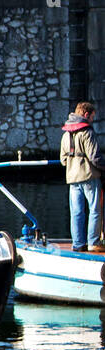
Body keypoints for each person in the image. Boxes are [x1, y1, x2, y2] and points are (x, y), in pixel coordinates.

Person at [60, 101, 105, 253]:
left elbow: (63, 159)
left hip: (72, 178)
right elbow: (95, 157)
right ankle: (93, 242)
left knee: (77, 212)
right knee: (95, 209)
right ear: (86, 115)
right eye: (92, 116)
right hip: (89, 176)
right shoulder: (87, 132)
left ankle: (78, 244)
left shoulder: (66, 134)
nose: (92, 119)